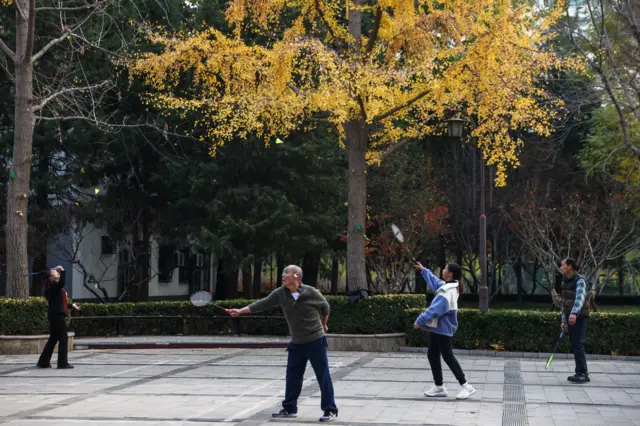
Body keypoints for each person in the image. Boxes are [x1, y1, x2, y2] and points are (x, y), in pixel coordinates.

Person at [229, 265, 338, 422]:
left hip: (315, 341)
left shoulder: (311, 292)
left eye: (286, 272)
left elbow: (325, 307)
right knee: (293, 377)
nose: (283, 275)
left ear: (296, 276)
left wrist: (324, 324)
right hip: (296, 342)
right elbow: (261, 304)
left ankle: (330, 410)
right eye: (283, 272)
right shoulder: (280, 293)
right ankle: (289, 408)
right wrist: (240, 311)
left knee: (323, 376)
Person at [413, 262, 476, 400]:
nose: (443, 270)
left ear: (451, 273)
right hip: (438, 328)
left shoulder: (447, 292)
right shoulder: (449, 286)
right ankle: (439, 386)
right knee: (433, 354)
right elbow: (436, 282)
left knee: (447, 356)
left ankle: (466, 386)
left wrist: (419, 321)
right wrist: (424, 270)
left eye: (445, 268)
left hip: (443, 328)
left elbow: (434, 309)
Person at [37, 266, 77, 369]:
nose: (57, 272)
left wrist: (71, 305)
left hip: (55, 315)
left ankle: (43, 362)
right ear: (51, 277)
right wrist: (63, 270)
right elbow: (62, 283)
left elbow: (58, 303)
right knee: (63, 338)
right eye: (54, 272)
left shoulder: (53, 286)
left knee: (53, 338)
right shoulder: (53, 285)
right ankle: (62, 363)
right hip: (57, 316)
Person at [560, 258, 592, 384]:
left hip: (579, 317)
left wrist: (573, 313)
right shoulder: (565, 281)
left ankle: (583, 374)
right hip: (570, 317)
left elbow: (579, 299)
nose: (561, 267)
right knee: (574, 344)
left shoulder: (580, 281)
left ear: (570, 267)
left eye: (563, 265)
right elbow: (564, 303)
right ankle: (579, 372)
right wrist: (564, 320)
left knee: (578, 343)